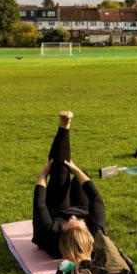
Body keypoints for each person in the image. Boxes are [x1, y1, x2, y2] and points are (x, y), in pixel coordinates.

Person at [32, 111, 106, 264]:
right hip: (82, 207)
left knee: (60, 172)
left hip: (57, 211)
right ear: (87, 230)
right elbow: (95, 198)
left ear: (62, 232)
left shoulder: (49, 234)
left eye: (69, 222)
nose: (72, 216)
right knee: (82, 176)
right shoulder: (96, 230)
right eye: (78, 220)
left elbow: (40, 204)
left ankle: (64, 125)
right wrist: (77, 170)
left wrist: (44, 173)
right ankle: (70, 163)